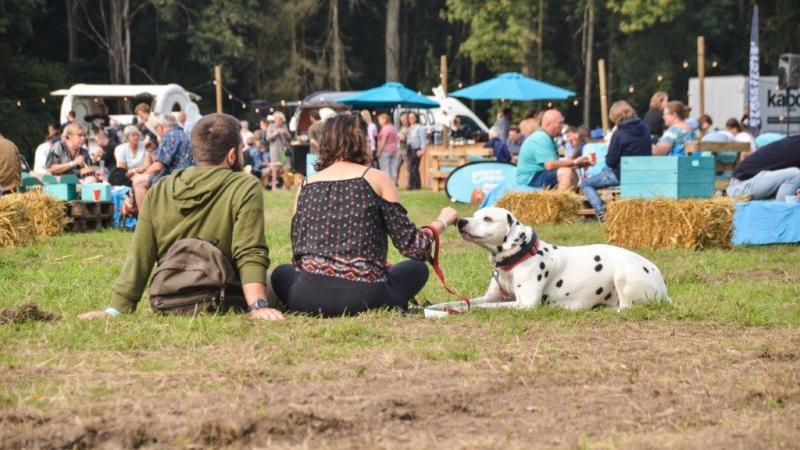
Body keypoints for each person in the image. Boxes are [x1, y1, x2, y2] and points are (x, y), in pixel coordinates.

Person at [78, 113, 283, 321]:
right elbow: (249, 251)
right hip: (224, 296)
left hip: (169, 298)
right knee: (279, 278)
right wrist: (258, 306)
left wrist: (115, 310)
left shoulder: (160, 189)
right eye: (241, 149)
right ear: (231, 155)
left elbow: (140, 254)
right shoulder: (245, 186)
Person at [270, 114, 458, 317]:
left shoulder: (306, 185)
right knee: (417, 268)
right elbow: (413, 247)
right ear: (362, 141)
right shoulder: (377, 179)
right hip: (366, 297)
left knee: (281, 272)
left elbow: (298, 253)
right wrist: (441, 221)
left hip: (306, 298)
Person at [581, 101, 652, 221]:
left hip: (622, 175)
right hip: (643, 173)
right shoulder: (645, 128)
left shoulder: (619, 133)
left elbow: (610, 161)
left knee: (586, 183)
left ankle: (602, 213)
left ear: (615, 117)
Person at [132, 113, 193, 212]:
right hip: (187, 177)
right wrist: (152, 151)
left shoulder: (169, 136)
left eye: (156, 128)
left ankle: (144, 219)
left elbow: (158, 166)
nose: (156, 130)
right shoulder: (183, 134)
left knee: (138, 181)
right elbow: (165, 161)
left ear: (161, 126)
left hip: (176, 179)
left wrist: (141, 175)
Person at [516, 109, 589, 190]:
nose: (563, 126)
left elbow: (559, 161)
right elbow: (550, 165)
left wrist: (578, 164)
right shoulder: (541, 138)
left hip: (539, 174)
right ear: (549, 124)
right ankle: (560, 198)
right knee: (566, 173)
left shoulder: (550, 139)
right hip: (530, 179)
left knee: (573, 173)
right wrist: (575, 162)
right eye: (560, 123)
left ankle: (566, 197)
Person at [726, 135, 800, 201]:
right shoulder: (796, 147)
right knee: (794, 175)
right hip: (741, 188)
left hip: (747, 183)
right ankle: (780, 211)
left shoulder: (794, 142)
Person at [266, 112, 290, 190]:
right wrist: (275, 133)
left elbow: (289, 137)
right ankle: (274, 186)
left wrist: (285, 133)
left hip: (284, 150)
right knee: (275, 167)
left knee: (286, 167)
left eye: (282, 120)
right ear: (276, 119)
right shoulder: (271, 126)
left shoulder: (284, 126)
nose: (281, 121)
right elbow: (268, 138)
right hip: (274, 150)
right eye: (280, 120)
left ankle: (286, 185)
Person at [405, 111, 427, 190]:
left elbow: (423, 140)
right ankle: (416, 185)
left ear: (416, 118)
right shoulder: (409, 128)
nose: (411, 119)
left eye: (413, 117)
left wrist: (422, 150)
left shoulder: (419, 127)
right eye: (409, 118)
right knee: (412, 167)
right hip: (409, 149)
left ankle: (411, 185)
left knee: (413, 167)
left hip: (416, 149)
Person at [376, 113, 401, 182]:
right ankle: (394, 184)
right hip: (394, 151)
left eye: (380, 120)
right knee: (393, 169)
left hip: (385, 151)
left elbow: (383, 141)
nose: (379, 122)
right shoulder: (393, 127)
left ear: (384, 120)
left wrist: (379, 152)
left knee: (385, 169)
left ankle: (387, 184)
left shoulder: (385, 129)